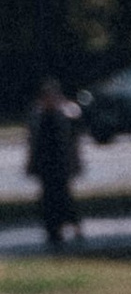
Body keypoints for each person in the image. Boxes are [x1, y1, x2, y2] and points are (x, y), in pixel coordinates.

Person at [26, 80, 83, 250]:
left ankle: (73, 224)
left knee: (63, 196)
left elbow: (72, 140)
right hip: (45, 164)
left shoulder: (65, 114)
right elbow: (33, 143)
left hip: (60, 163)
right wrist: (31, 164)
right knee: (47, 198)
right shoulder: (38, 116)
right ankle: (52, 230)